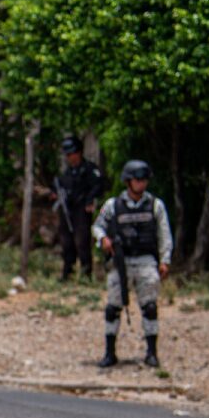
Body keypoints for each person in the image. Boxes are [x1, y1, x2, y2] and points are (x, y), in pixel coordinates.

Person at [92, 160, 172, 369]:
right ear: (128, 182)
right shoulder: (113, 205)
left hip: (146, 260)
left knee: (150, 307)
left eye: (144, 180)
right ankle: (110, 353)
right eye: (138, 180)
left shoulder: (155, 205)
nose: (141, 184)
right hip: (121, 261)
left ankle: (152, 353)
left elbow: (164, 234)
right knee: (112, 308)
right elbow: (98, 227)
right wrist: (103, 240)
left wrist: (165, 260)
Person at [51, 136, 102, 281]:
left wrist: (90, 200)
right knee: (67, 242)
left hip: (82, 210)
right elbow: (58, 187)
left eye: (71, 154)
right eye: (67, 155)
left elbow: (97, 186)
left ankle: (86, 274)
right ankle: (68, 273)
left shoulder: (89, 170)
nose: (69, 157)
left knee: (82, 242)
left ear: (79, 152)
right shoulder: (66, 173)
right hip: (67, 210)